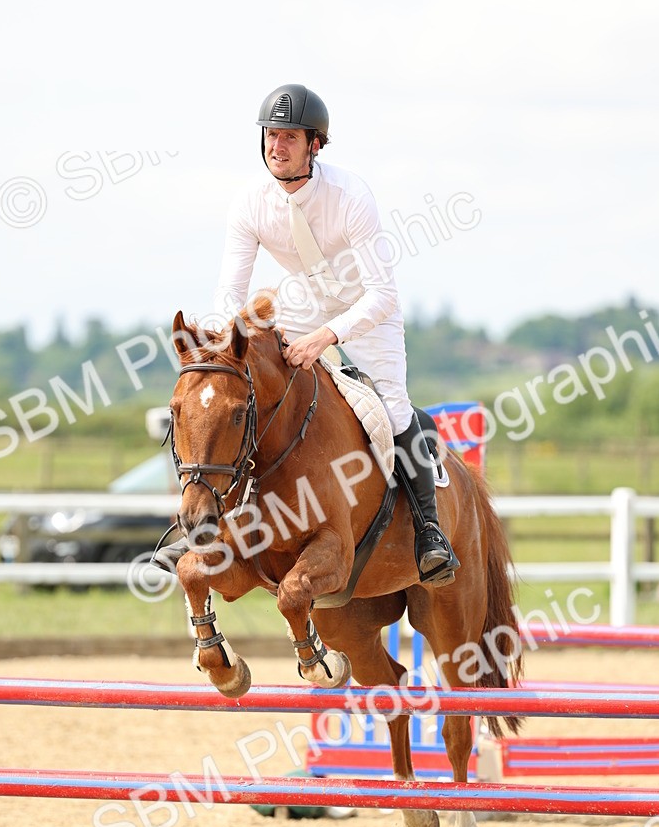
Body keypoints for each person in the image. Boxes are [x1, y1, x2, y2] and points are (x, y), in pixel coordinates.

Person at [166, 83, 459, 585]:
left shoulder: (350, 196)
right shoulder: (249, 203)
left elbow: (381, 294)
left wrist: (327, 337)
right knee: (241, 392)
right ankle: (212, 517)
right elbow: (230, 290)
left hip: (364, 313)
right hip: (299, 306)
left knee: (390, 405)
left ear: (314, 145)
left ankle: (430, 532)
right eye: (270, 136)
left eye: (288, 138)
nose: (275, 147)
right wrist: (222, 343)